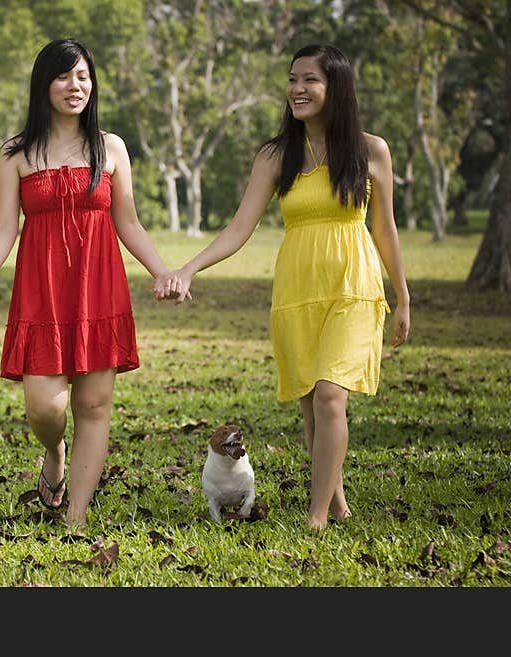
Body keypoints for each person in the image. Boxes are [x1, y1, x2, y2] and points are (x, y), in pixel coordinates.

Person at [156, 44, 411, 530]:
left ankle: (316, 517)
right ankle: (335, 501)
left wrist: (402, 295)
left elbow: (386, 229)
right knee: (313, 410)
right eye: (292, 79)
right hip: (296, 291)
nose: (297, 89)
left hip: (353, 286)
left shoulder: (371, 150)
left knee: (331, 397)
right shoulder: (277, 155)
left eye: (309, 80)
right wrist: (188, 269)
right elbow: (238, 229)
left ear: (335, 87)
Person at [0, 39, 176, 528]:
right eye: (64, 76)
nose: (75, 86)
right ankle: (55, 453)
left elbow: (128, 223)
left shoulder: (112, 149)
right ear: (44, 83)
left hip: (98, 287)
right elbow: (5, 226)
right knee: (45, 407)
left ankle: (77, 515)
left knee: (93, 403)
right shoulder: (16, 153)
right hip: (40, 292)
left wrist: (162, 270)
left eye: (83, 76)